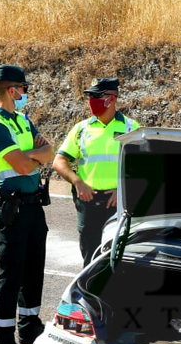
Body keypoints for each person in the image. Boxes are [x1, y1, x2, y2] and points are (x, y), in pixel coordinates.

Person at [0, 64, 54, 344]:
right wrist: (36, 158)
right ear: (12, 90)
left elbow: (50, 152)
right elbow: (25, 166)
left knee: (34, 266)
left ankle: (29, 325)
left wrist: (34, 157)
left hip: (33, 203)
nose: (25, 94)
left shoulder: (22, 121)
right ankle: (3, 336)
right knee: (11, 271)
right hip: (12, 205)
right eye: (23, 89)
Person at [52, 77, 142, 266]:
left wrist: (124, 189)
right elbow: (59, 162)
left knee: (119, 256)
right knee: (90, 257)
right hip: (88, 202)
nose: (91, 101)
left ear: (111, 98)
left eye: (96, 96)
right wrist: (78, 182)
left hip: (118, 204)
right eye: (90, 96)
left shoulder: (131, 128)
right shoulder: (82, 129)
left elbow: (145, 166)